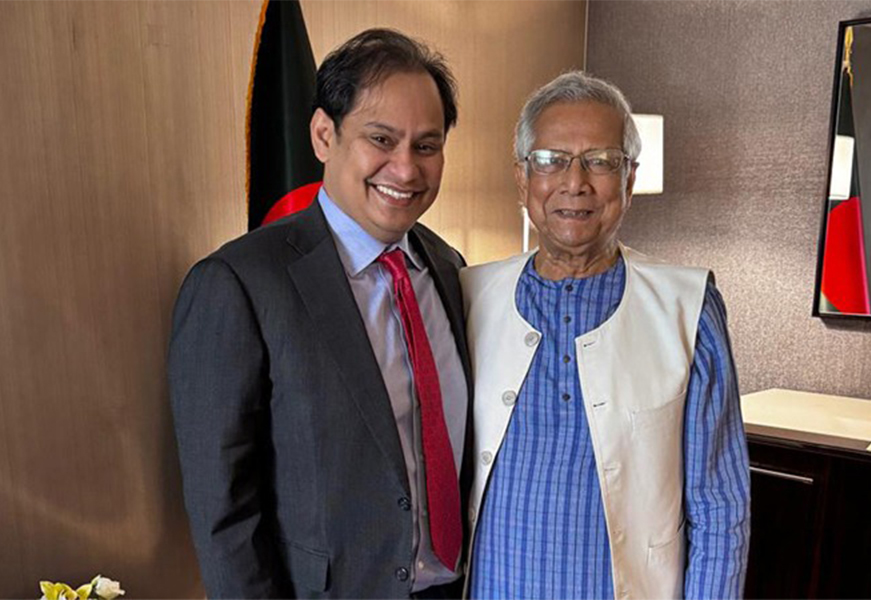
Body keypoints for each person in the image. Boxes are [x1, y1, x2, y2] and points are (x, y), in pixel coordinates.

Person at [168, 29, 471, 599]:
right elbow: (222, 510)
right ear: (323, 135)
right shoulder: (237, 284)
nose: (405, 170)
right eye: (381, 139)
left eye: (426, 146)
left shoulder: (450, 267)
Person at [461, 71, 750, 599]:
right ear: (524, 179)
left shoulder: (687, 307)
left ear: (629, 180)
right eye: (551, 160)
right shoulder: (467, 295)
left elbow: (720, 507)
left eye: (601, 161)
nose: (576, 182)